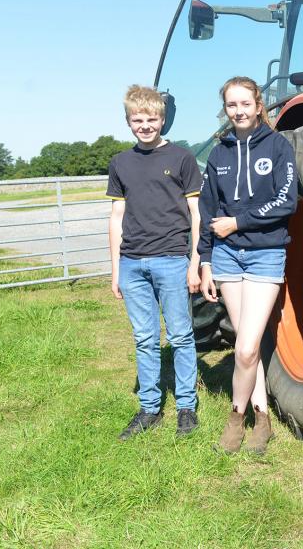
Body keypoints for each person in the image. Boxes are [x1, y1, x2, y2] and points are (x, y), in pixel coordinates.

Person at [198, 76, 297, 455]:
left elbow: (286, 201)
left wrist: (240, 222)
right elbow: (209, 210)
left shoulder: (278, 146)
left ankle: (235, 417)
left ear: (259, 106)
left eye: (245, 104)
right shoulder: (220, 153)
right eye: (231, 105)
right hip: (225, 256)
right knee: (246, 346)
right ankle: (263, 415)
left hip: (264, 253)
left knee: (245, 349)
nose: (238, 111)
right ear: (226, 110)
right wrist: (205, 260)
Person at [108, 85, 202, 440]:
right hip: (132, 264)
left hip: (172, 259)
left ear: (163, 119)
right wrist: (116, 269)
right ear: (129, 121)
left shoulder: (182, 159)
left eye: (152, 119)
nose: (145, 125)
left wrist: (194, 262)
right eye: (138, 120)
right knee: (144, 338)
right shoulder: (120, 163)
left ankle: (186, 407)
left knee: (180, 335)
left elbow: (196, 213)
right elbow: (117, 216)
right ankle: (149, 408)